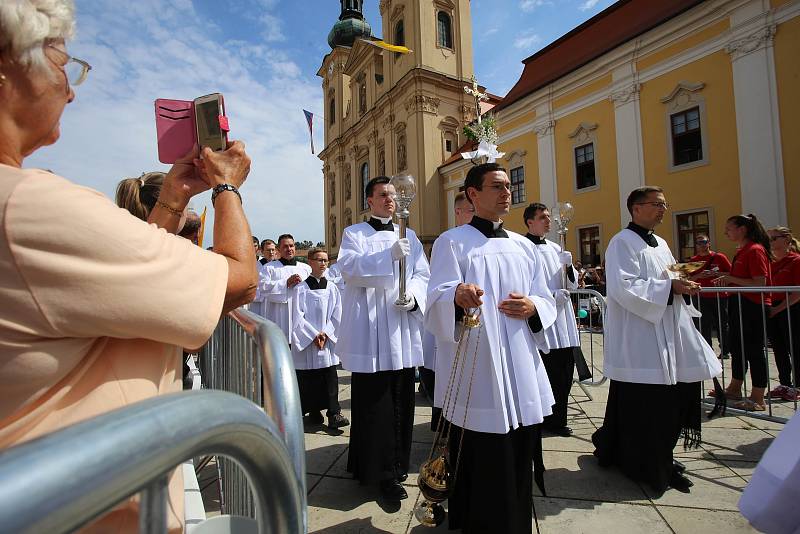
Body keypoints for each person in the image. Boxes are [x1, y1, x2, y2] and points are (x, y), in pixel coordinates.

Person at [0, 3, 256, 532]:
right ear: (7, 71)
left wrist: (176, 196)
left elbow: (122, 282)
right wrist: (227, 186)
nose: (71, 90)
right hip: (93, 511)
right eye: (60, 62)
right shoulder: (31, 205)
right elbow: (238, 279)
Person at [426, 163, 557, 534]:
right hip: (477, 366)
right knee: (482, 452)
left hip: (519, 361)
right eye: (497, 186)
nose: (507, 192)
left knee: (519, 451)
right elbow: (435, 296)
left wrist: (534, 307)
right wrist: (456, 294)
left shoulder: (522, 245)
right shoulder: (453, 242)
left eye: (509, 186)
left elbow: (545, 297)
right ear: (473, 194)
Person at [592, 186, 721, 494]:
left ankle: (663, 457)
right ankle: (644, 463)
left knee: (670, 405)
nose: (663, 209)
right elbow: (624, 287)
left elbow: (667, 274)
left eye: (665, 204)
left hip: (668, 332)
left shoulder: (661, 242)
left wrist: (682, 281)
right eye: (657, 204)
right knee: (646, 407)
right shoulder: (621, 242)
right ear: (636, 208)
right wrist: (669, 288)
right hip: (640, 337)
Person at [336, 176, 430, 501]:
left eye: (392, 194)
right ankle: (376, 470)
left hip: (400, 326)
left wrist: (414, 296)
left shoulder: (411, 235)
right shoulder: (355, 234)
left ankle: (399, 463)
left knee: (401, 399)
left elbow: (423, 274)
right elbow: (348, 269)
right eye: (382, 195)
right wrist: (387, 256)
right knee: (374, 403)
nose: (390, 199)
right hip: (371, 331)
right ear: (369, 202)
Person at [523, 202, 582, 437]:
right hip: (541, 318)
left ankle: (558, 419)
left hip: (562, 320)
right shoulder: (523, 247)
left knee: (565, 374)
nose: (548, 221)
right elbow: (525, 284)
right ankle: (541, 418)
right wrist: (551, 297)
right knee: (545, 373)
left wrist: (568, 268)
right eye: (543, 217)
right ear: (530, 222)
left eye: (549, 217)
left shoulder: (557, 247)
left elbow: (573, 284)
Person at [420, 191, 473, 429]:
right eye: (470, 211)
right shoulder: (449, 241)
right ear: (458, 212)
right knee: (448, 376)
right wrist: (456, 295)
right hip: (452, 323)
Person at [714, 214, 773, 411]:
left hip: (752, 305)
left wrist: (729, 277)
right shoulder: (742, 251)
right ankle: (735, 387)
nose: (726, 233)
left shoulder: (755, 250)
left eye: (729, 229)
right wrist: (724, 276)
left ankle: (758, 396)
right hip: (739, 303)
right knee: (738, 348)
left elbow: (759, 282)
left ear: (742, 229)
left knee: (754, 350)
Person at [291, 248, 349, 428]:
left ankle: (334, 413)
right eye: (319, 260)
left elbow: (337, 314)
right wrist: (314, 335)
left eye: (325, 260)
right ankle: (313, 413)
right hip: (309, 341)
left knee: (329, 376)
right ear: (310, 262)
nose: (323, 263)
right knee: (308, 378)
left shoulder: (332, 288)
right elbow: (297, 316)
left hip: (327, 341)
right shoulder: (300, 289)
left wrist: (326, 333)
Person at [766, 226, 800, 402]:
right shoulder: (770, 262)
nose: (770, 242)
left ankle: (798, 386)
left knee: (794, 347)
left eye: (774, 238)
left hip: (791, 307)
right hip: (774, 308)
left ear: (786, 240)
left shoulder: (796, 261)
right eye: (769, 239)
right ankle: (785, 383)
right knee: (778, 348)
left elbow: (797, 292)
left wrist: (778, 309)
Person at [260, 234, 312, 343]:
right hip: (278, 315)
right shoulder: (269, 268)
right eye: (285, 246)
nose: (289, 249)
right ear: (278, 249)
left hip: (302, 314)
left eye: (291, 246)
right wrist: (285, 283)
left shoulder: (305, 268)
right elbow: (262, 287)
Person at [689, 234, 732, 358]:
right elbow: (688, 277)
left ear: (709, 243)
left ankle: (725, 351)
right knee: (704, 325)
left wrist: (715, 273)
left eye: (704, 242)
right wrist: (699, 276)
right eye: (698, 243)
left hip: (719, 295)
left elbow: (731, 273)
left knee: (722, 324)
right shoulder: (693, 260)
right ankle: (708, 352)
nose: (701, 245)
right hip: (701, 296)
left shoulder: (719, 257)